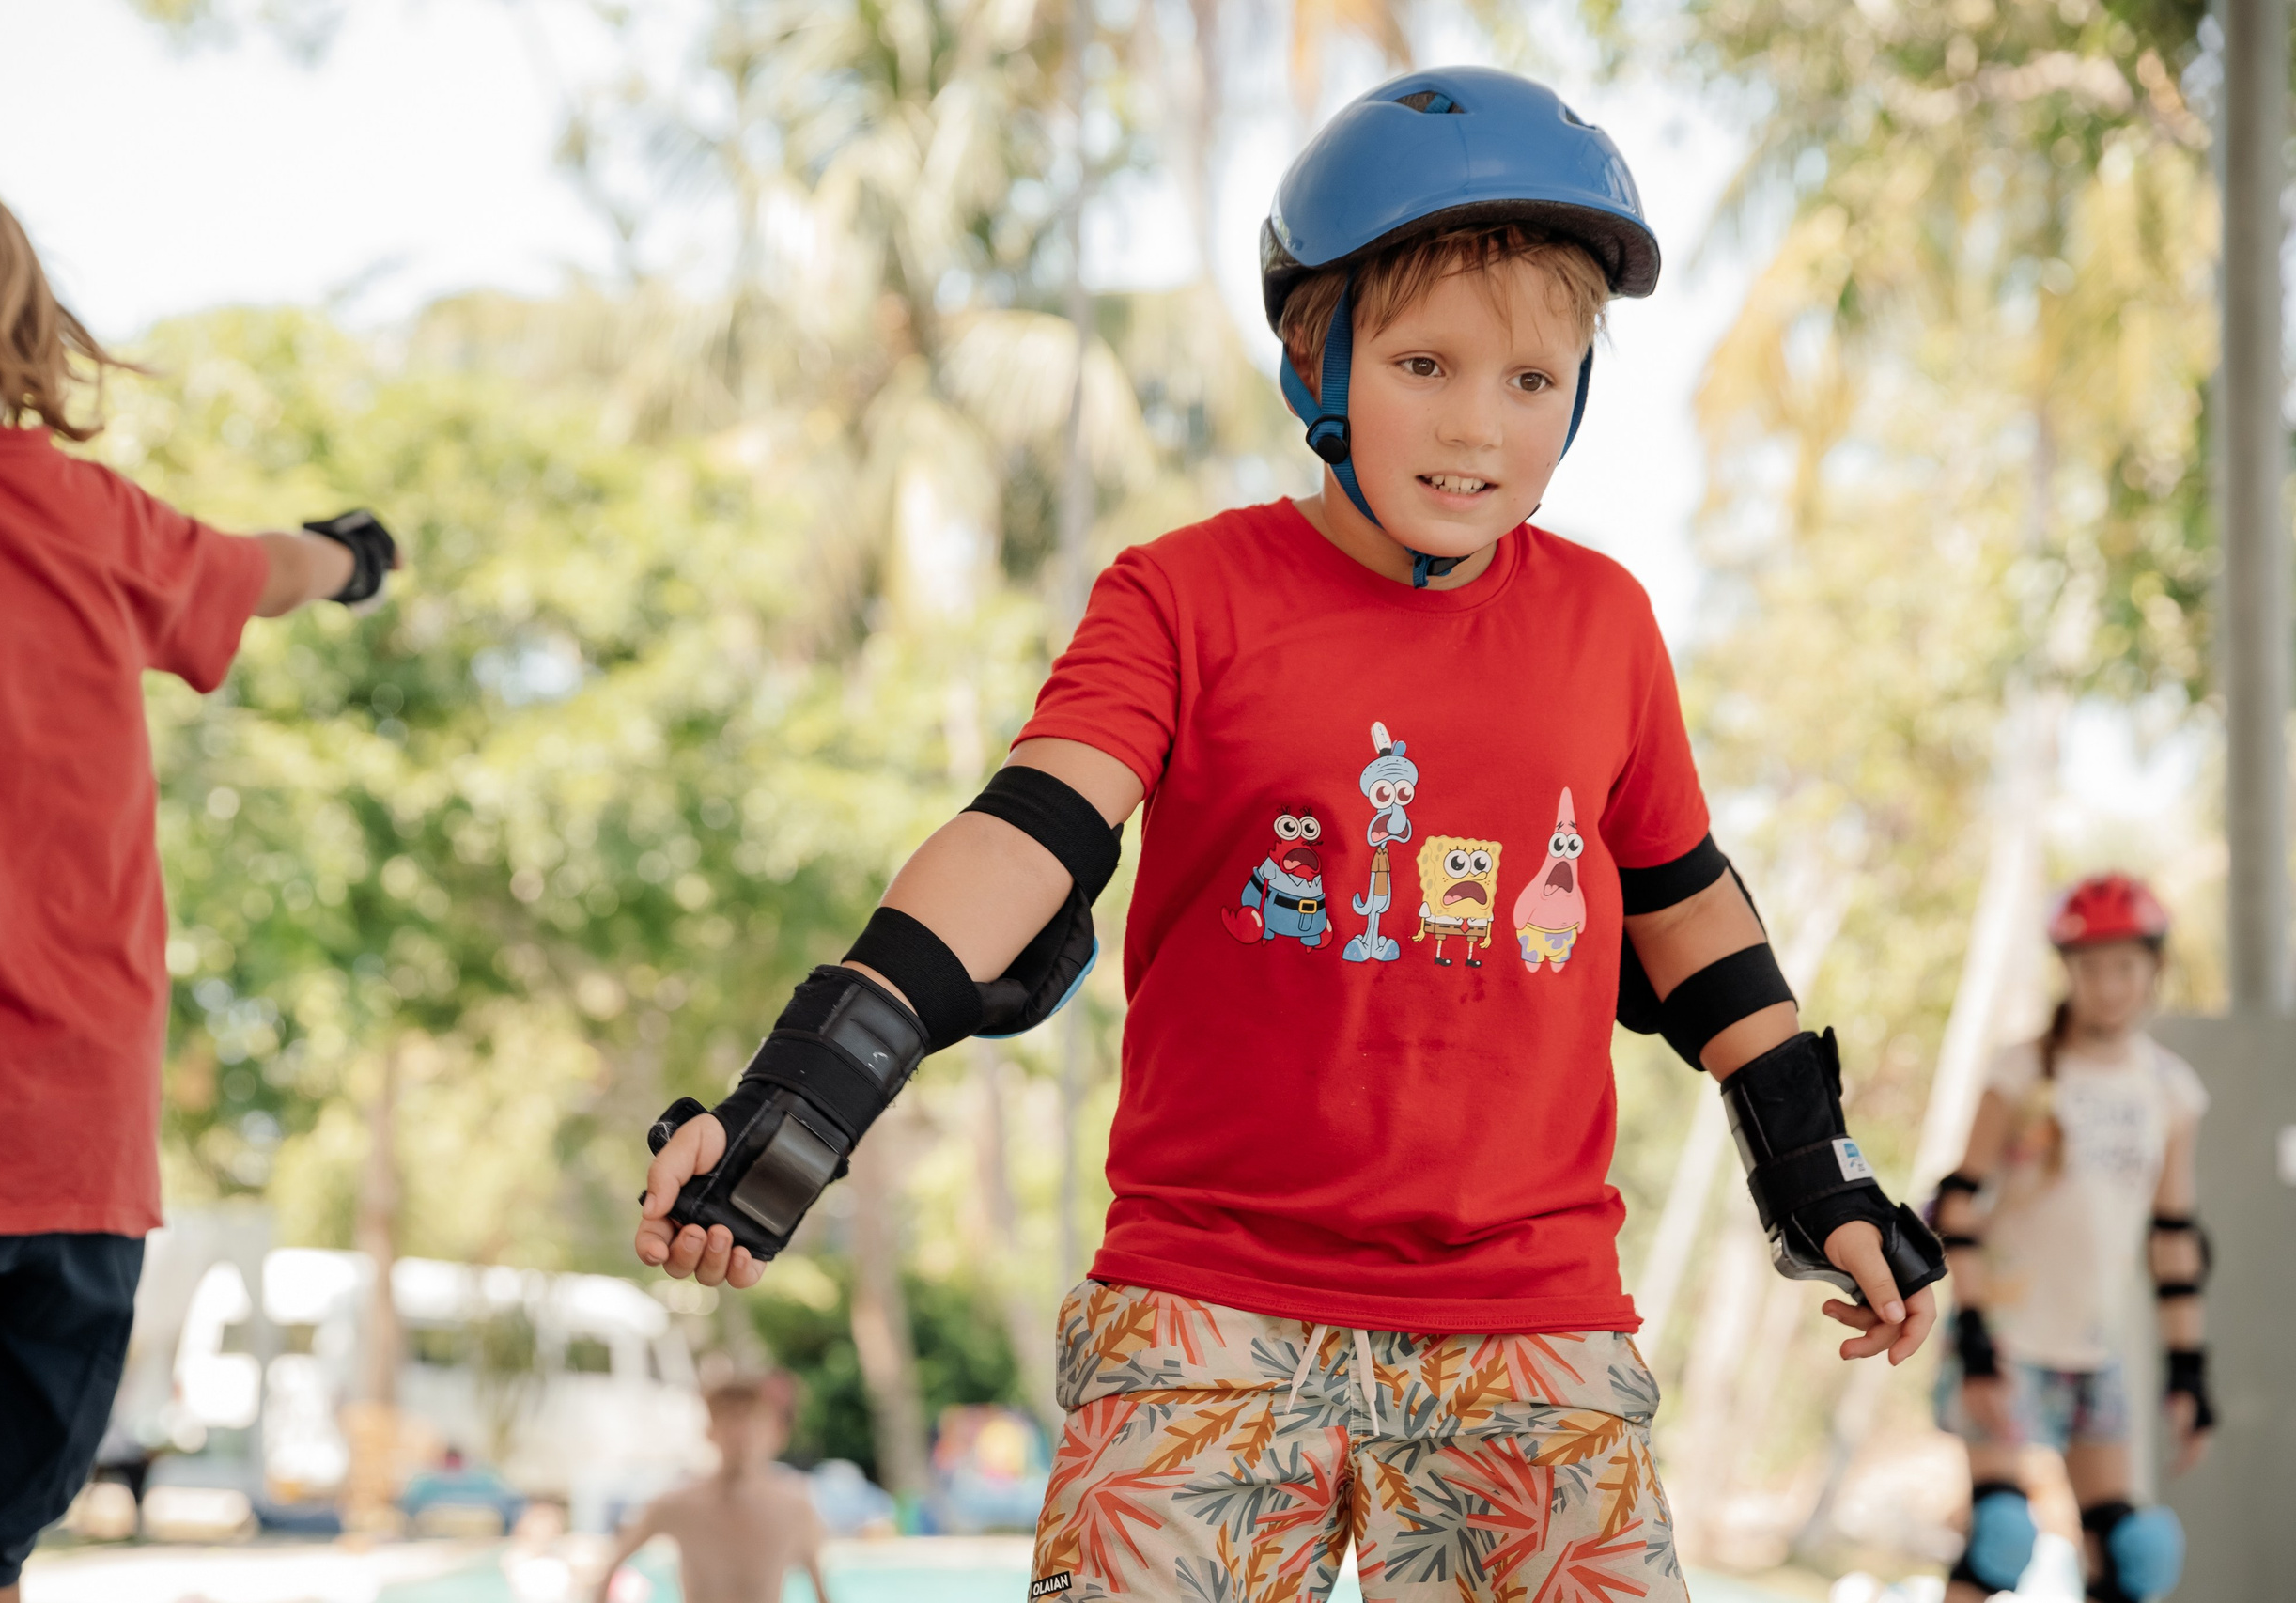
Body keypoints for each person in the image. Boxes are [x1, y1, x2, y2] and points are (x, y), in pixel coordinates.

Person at [636, 66, 1945, 1600]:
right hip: (1208, 1306)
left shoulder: (1605, 624)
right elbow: (1026, 833)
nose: (1477, 427)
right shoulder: (1184, 597)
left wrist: (1820, 1175)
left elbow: (1687, 905)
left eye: (1533, 380)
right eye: (1423, 364)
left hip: (1527, 1319)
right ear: (1317, 357)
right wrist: (806, 1087)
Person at [0, 170, 399, 1603]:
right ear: (22, 323)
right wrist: (354, 555)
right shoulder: (95, 519)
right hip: (77, 1156)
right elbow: (269, 569)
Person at [1930, 874, 2210, 1603]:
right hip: (2005, 1337)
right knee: (2001, 1536)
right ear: (2068, 971)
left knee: (2137, 1553)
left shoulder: (2171, 1090)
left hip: (2095, 1346)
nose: (2108, 986)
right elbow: (1957, 1205)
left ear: (2154, 968)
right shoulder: (2021, 1071)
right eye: (2090, 968)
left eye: (2125, 967)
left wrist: (2188, 1370)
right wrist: (1974, 1338)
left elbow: (2174, 1239)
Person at [596, 1377, 830, 1603]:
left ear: (773, 1432)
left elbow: (822, 1593)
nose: (741, 1432)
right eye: (729, 1417)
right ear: (709, 1430)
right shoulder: (677, 1505)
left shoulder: (795, 1510)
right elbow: (610, 1570)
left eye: (751, 1417)